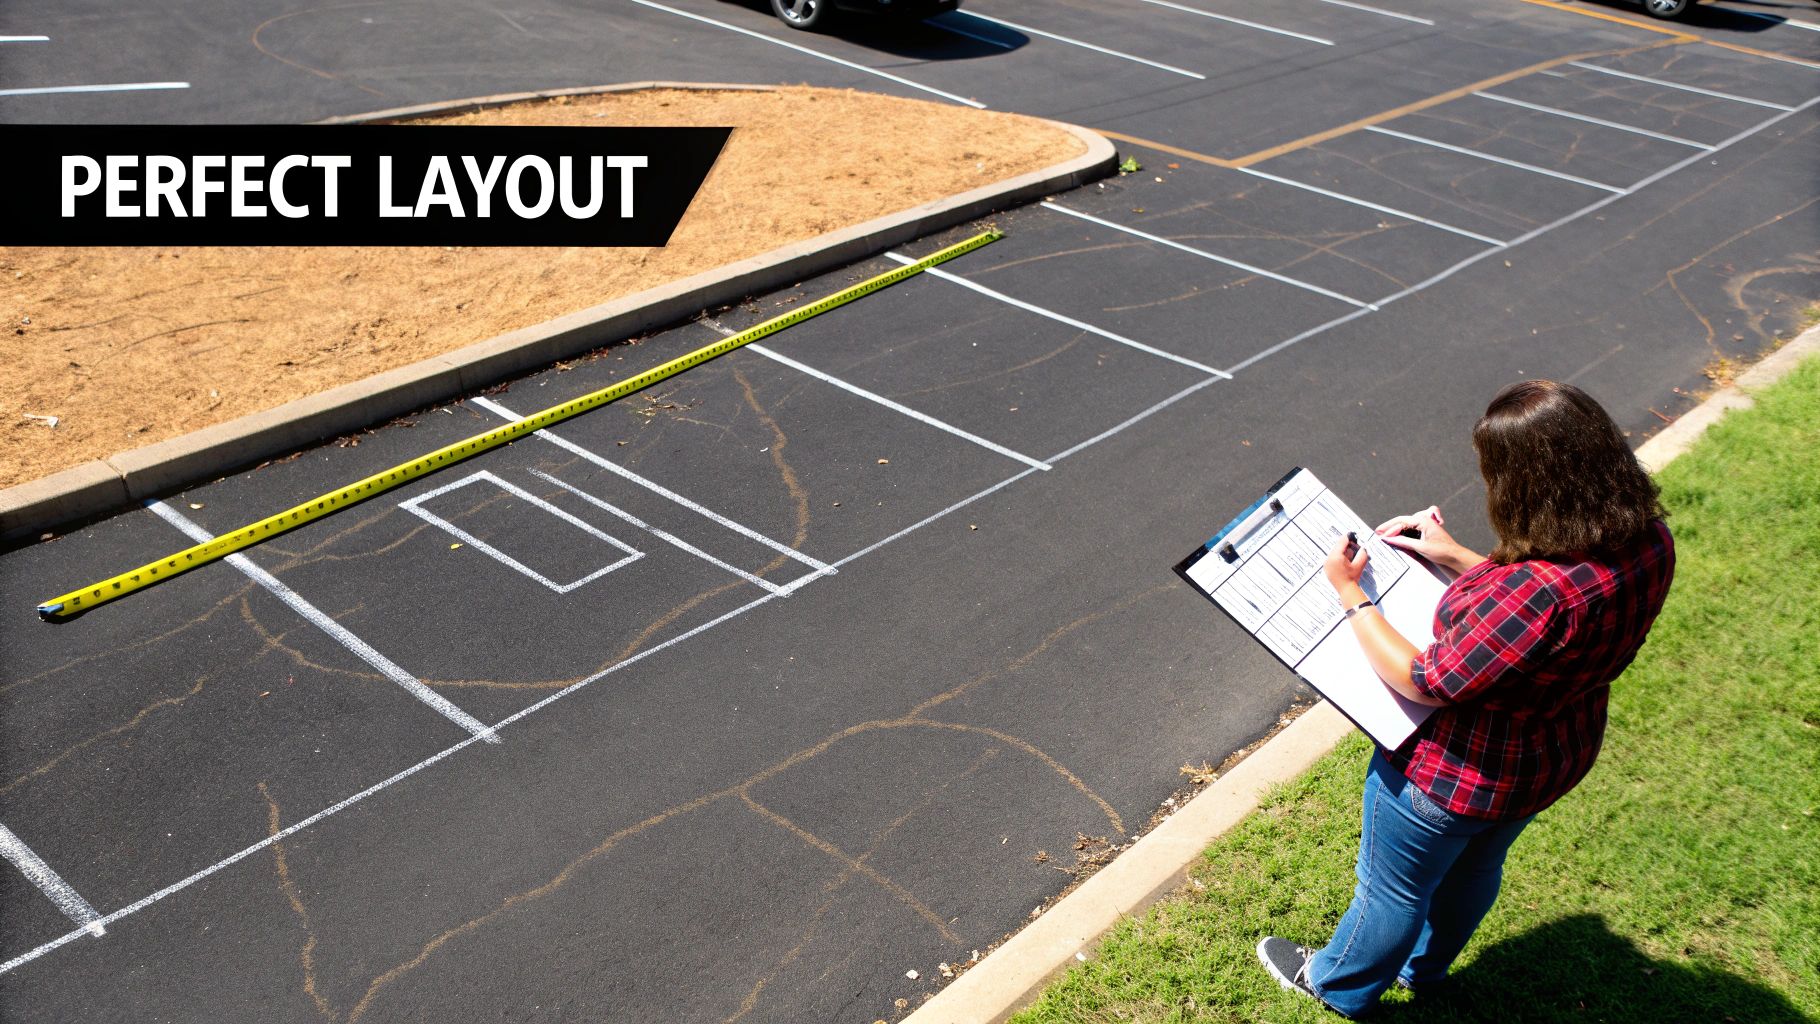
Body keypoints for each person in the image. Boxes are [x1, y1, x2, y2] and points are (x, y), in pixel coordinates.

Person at [1256, 379, 1676, 1017]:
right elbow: (1544, 630)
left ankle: (1336, 985)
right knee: (1475, 869)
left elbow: (1425, 678)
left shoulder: (1537, 590)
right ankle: (1425, 972)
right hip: (1552, 759)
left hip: (1455, 779)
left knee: (1392, 891)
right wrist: (1456, 557)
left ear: (1531, 485)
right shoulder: (1649, 542)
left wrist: (1351, 593)